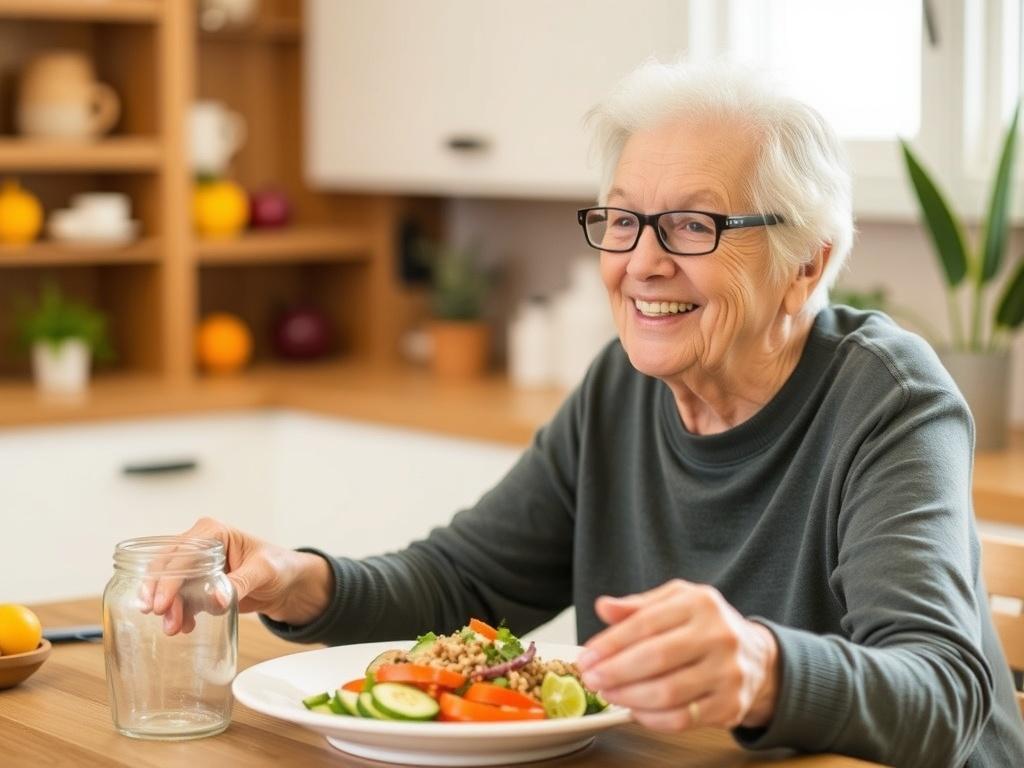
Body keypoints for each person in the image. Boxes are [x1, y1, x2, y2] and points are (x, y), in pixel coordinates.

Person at [148, 61, 1024, 766]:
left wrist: (763, 668)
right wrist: (300, 578)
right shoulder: (623, 386)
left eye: (691, 226)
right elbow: (466, 585)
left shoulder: (885, 399)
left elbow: (943, 694)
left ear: (806, 263)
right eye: (621, 220)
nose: (640, 262)